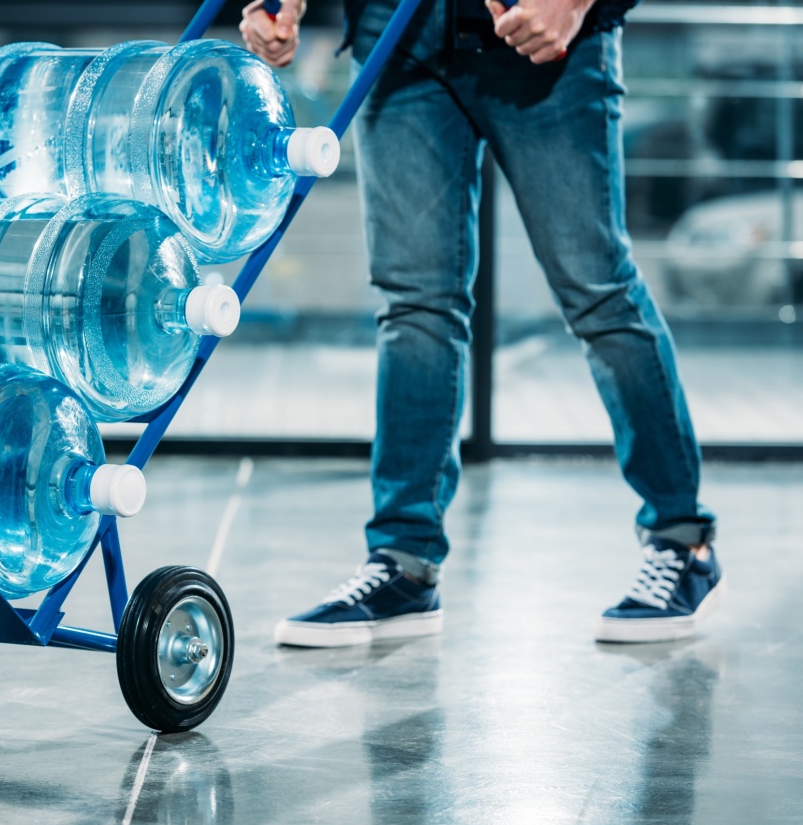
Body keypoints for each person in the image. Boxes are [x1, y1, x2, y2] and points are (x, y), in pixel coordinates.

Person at [241, 0, 722, 647]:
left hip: (538, 29)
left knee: (598, 291)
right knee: (415, 305)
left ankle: (681, 540)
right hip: (396, 31)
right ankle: (403, 563)